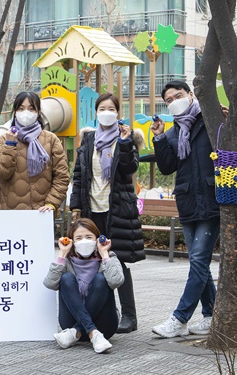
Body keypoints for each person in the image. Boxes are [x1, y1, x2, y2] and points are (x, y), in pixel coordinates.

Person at [69, 93, 145, 334]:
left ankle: (129, 316)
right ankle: (99, 312)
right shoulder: (88, 139)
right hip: (92, 210)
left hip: (118, 210)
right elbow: (79, 175)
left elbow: (130, 168)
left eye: (111, 108)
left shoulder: (126, 138)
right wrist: (76, 207)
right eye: (102, 107)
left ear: (118, 113)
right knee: (91, 262)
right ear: (96, 111)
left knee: (117, 261)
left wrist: (124, 143)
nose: (106, 111)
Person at [150, 81, 220, 338]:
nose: (174, 101)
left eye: (177, 95)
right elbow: (167, 166)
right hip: (188, 201)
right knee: (197, 262)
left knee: (199, 260)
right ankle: (211, 314)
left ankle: (180, 319)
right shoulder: (174, 131)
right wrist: (158, 137)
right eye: (168, 100)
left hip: (213, 200)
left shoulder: (210, 119)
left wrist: (227, 118)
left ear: (191, 95)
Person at [43, 218, 124, 354]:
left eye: (89, 237)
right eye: (79, 238)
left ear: (97, 239)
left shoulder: (109, 257)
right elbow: (50, 283)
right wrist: (62, 254)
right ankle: (93, 333)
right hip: (70, 323)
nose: (84, 241)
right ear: (72, 241)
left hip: (104, 326)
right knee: (66, 278)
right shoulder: (66, 261)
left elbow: (116, 281)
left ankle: (79, 331)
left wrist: (104, 253)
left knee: (101, 279)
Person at [0, 91, 70, 212]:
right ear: (15, 113)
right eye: (21, 108)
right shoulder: (4, 139)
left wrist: (51, 203)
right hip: (13, 213)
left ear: (38, 112)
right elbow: (1, 172)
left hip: (42, 213)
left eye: (31, 109)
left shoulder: (51, 139)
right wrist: (10, 145)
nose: (26, 113)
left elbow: (62, 176)